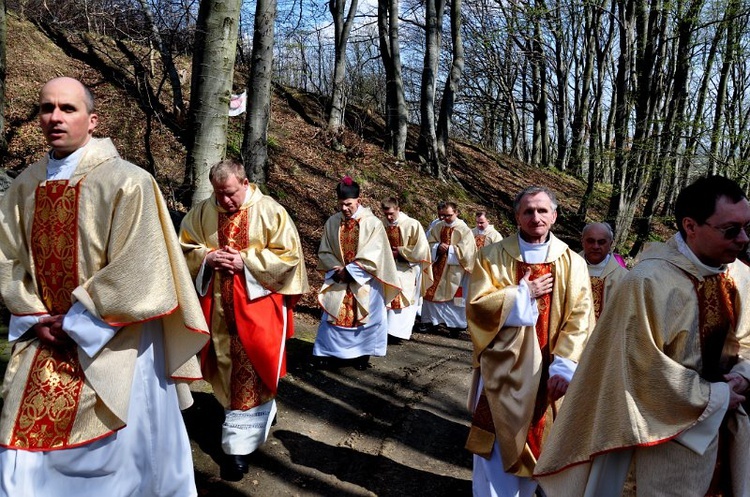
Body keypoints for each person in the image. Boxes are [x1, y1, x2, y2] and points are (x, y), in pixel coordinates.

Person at [0, 77, 209, 496]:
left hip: (117, 340)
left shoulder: (129, 181)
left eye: (68, 108)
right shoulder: (25, 185)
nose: (54, 117)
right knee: (23, 453)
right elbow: (7, 257)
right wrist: (36, 315)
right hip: (42, 334)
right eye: (46, 108)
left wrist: (77, 319)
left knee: (122, 459)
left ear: (92, 120)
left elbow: (141, 266)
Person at [535, 175, 750, 496]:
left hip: (727, 432)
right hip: (665, 441)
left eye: (747, 227)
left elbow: (746, 339)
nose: (744, 238)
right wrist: (715, 397)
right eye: (730, 230)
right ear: (690, 226)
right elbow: (639, 371)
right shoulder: (648, 281)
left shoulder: (739, 275)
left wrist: (742, 375)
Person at [179, 159, 309, 480]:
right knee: (225, 369)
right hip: (217, 311)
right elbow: (182, 247)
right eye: (219, 194)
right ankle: (252, 419)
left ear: (245, 182)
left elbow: (289, 257)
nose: (224, 201)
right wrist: (206, 257)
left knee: (250, 371)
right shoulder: (204, 211)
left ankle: (236, 449)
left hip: (257, 310)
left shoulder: (269, 210)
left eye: (231, 194)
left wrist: (246, 261)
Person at [465, 185, 593, 497]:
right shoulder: (491, 255)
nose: (535, 216)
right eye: (528, 211)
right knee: (497, 452)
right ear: (517, 216)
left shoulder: (572, 262)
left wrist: (563, 367)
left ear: (554, 216)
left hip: (550, 373)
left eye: (542, 210)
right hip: (502, 373)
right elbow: (478, 307)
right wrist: (523, 295)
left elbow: (580, 316)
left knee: (548, 448)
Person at [313, 177, 400, 370]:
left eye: (348, 204)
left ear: (358, 201)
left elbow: (375, 253)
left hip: (365, 281)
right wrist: (337, 269)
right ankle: (327, 353)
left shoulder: (373, 224)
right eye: (341, 204)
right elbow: (325, 250)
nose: (344, 208)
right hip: (338, 278)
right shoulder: (332, 222)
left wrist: (351, 271)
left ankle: (362, 355)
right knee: (332, 315)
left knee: (366, 318)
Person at [380, 197, 433, 342]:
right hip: (386, 267)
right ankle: (385, 330)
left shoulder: (412, 224)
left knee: (405, 299)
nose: (389, 217)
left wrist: (401, 253)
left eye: (391, 213)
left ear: (398, 209)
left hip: (407, 268)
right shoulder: (381, 224)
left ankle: (398, 333)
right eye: (386, 214)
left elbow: (422, 250)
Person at [421, 201, 477, 338]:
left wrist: (450, 250)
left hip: (456, 270)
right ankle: (430, 322)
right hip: (437, 265)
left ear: (456, 213)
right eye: (443, 215)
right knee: (430, 291)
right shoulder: (438, 226)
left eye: (449, 215)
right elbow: (427, 243)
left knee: (457, 298)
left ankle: (455, 326)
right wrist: (437, 247)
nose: (445, 218)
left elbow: (468, 252)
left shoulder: (464, 230)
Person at [580, 222, 627, 320]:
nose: (596, 246)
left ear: (610, 244)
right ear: (582, 242)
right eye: (590, 241)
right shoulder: (568, 269)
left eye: (601, 242)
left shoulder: (623, 277)